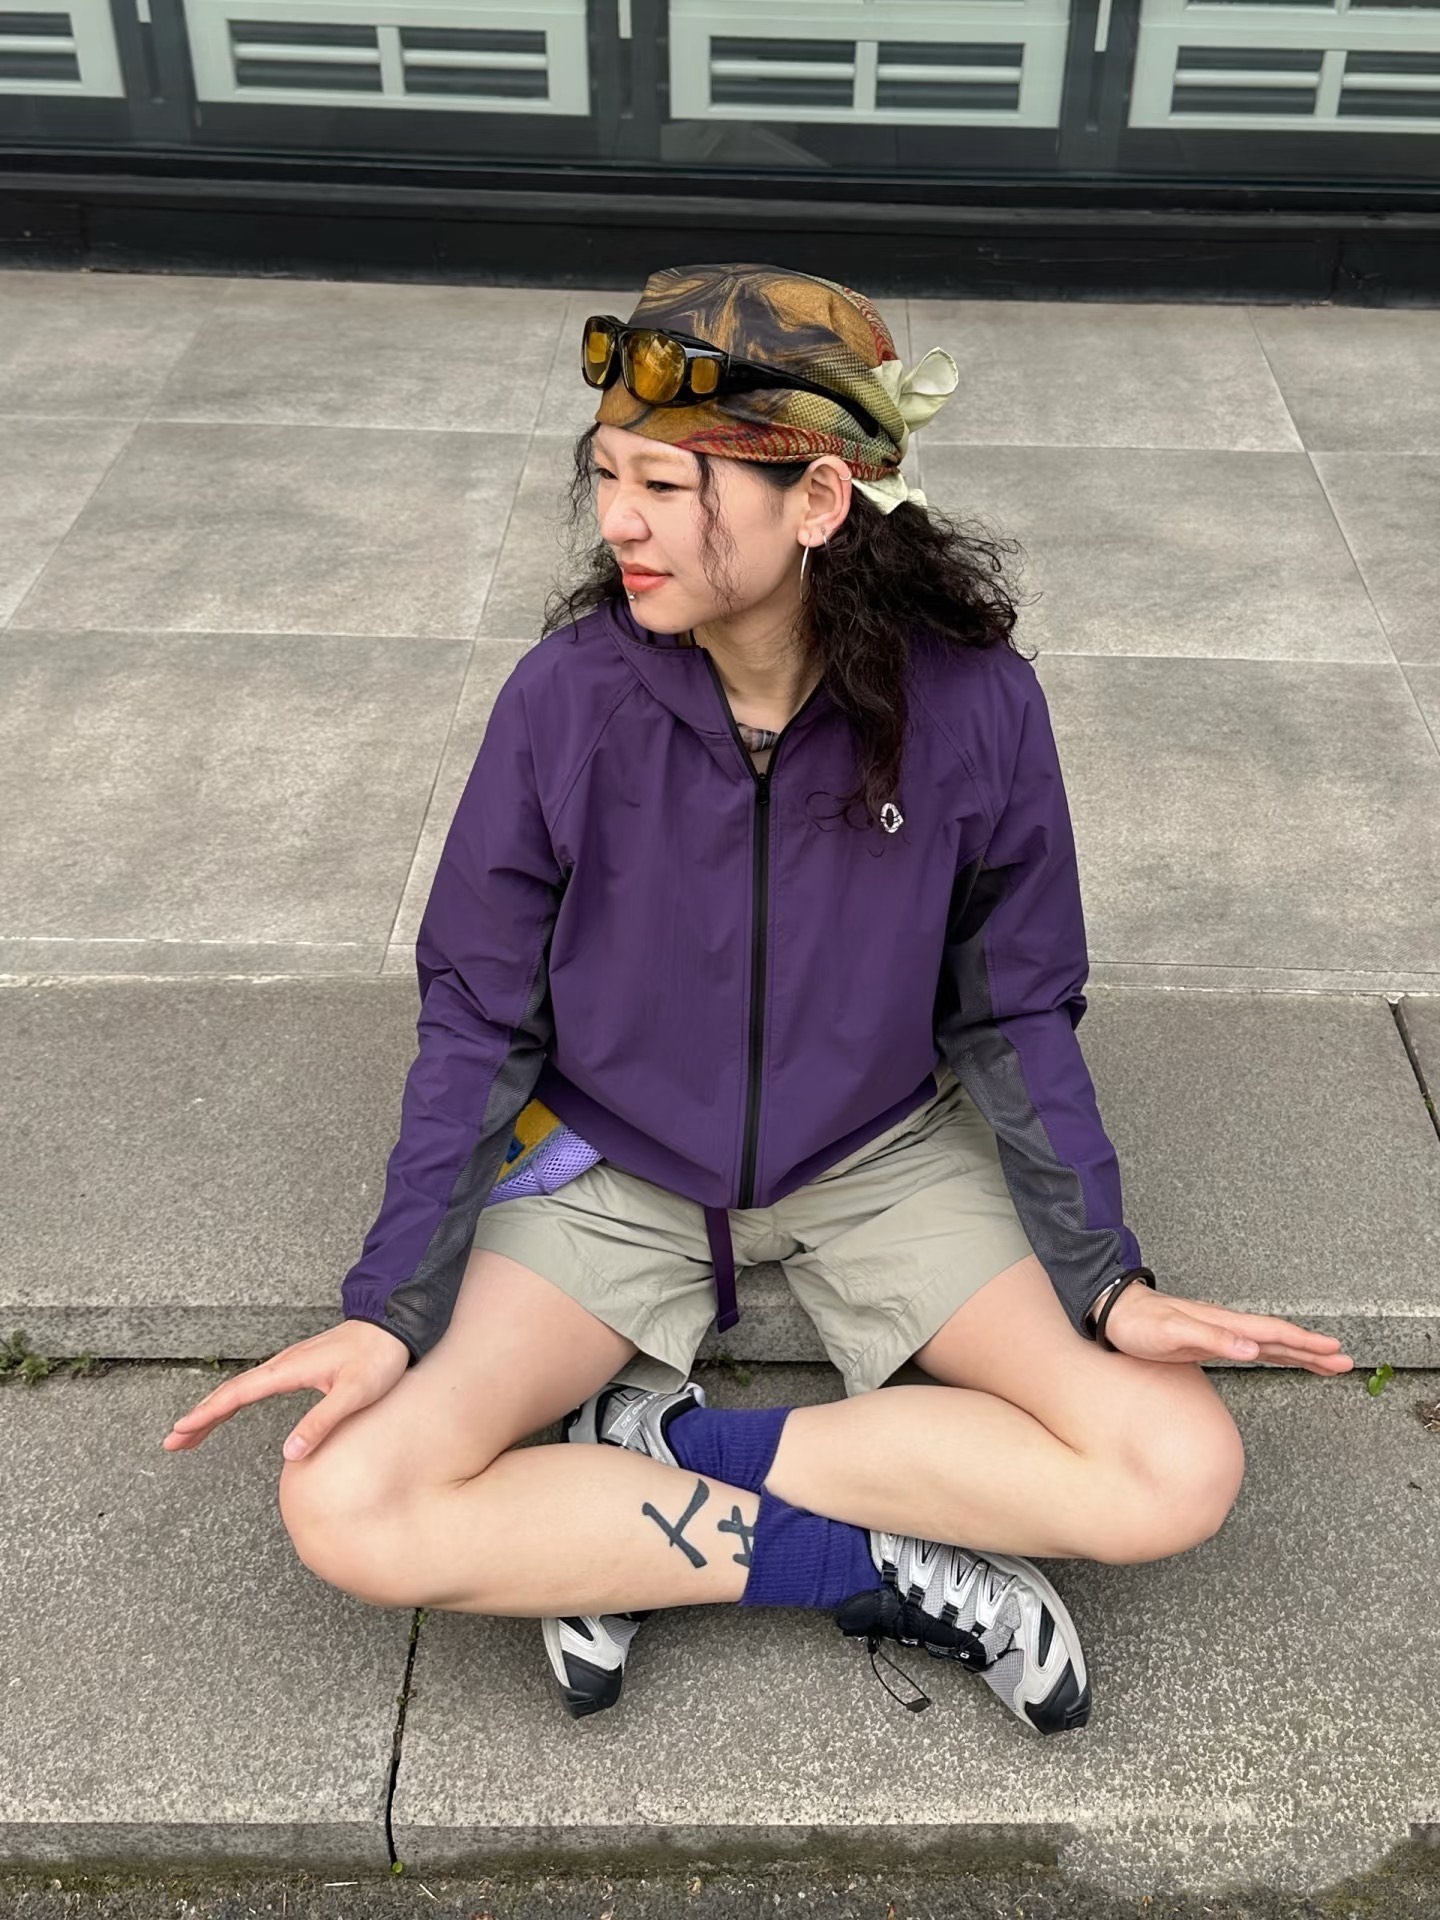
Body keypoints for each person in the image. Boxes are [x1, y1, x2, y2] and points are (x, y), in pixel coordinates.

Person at [161, 263, 1354, 1739]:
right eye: (608, 475)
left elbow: (1014, 1009)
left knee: (1180, 1467)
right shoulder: (567, 700)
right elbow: (477, 1015)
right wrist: (390, 1309)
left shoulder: (975, 707)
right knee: (345, 1494)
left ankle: (650, 1472)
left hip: (882, 1156)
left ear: (820, 501)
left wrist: (1110, 1283)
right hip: (607, 1166)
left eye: (667, 484)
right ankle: (862, 1567)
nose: (618, 521)